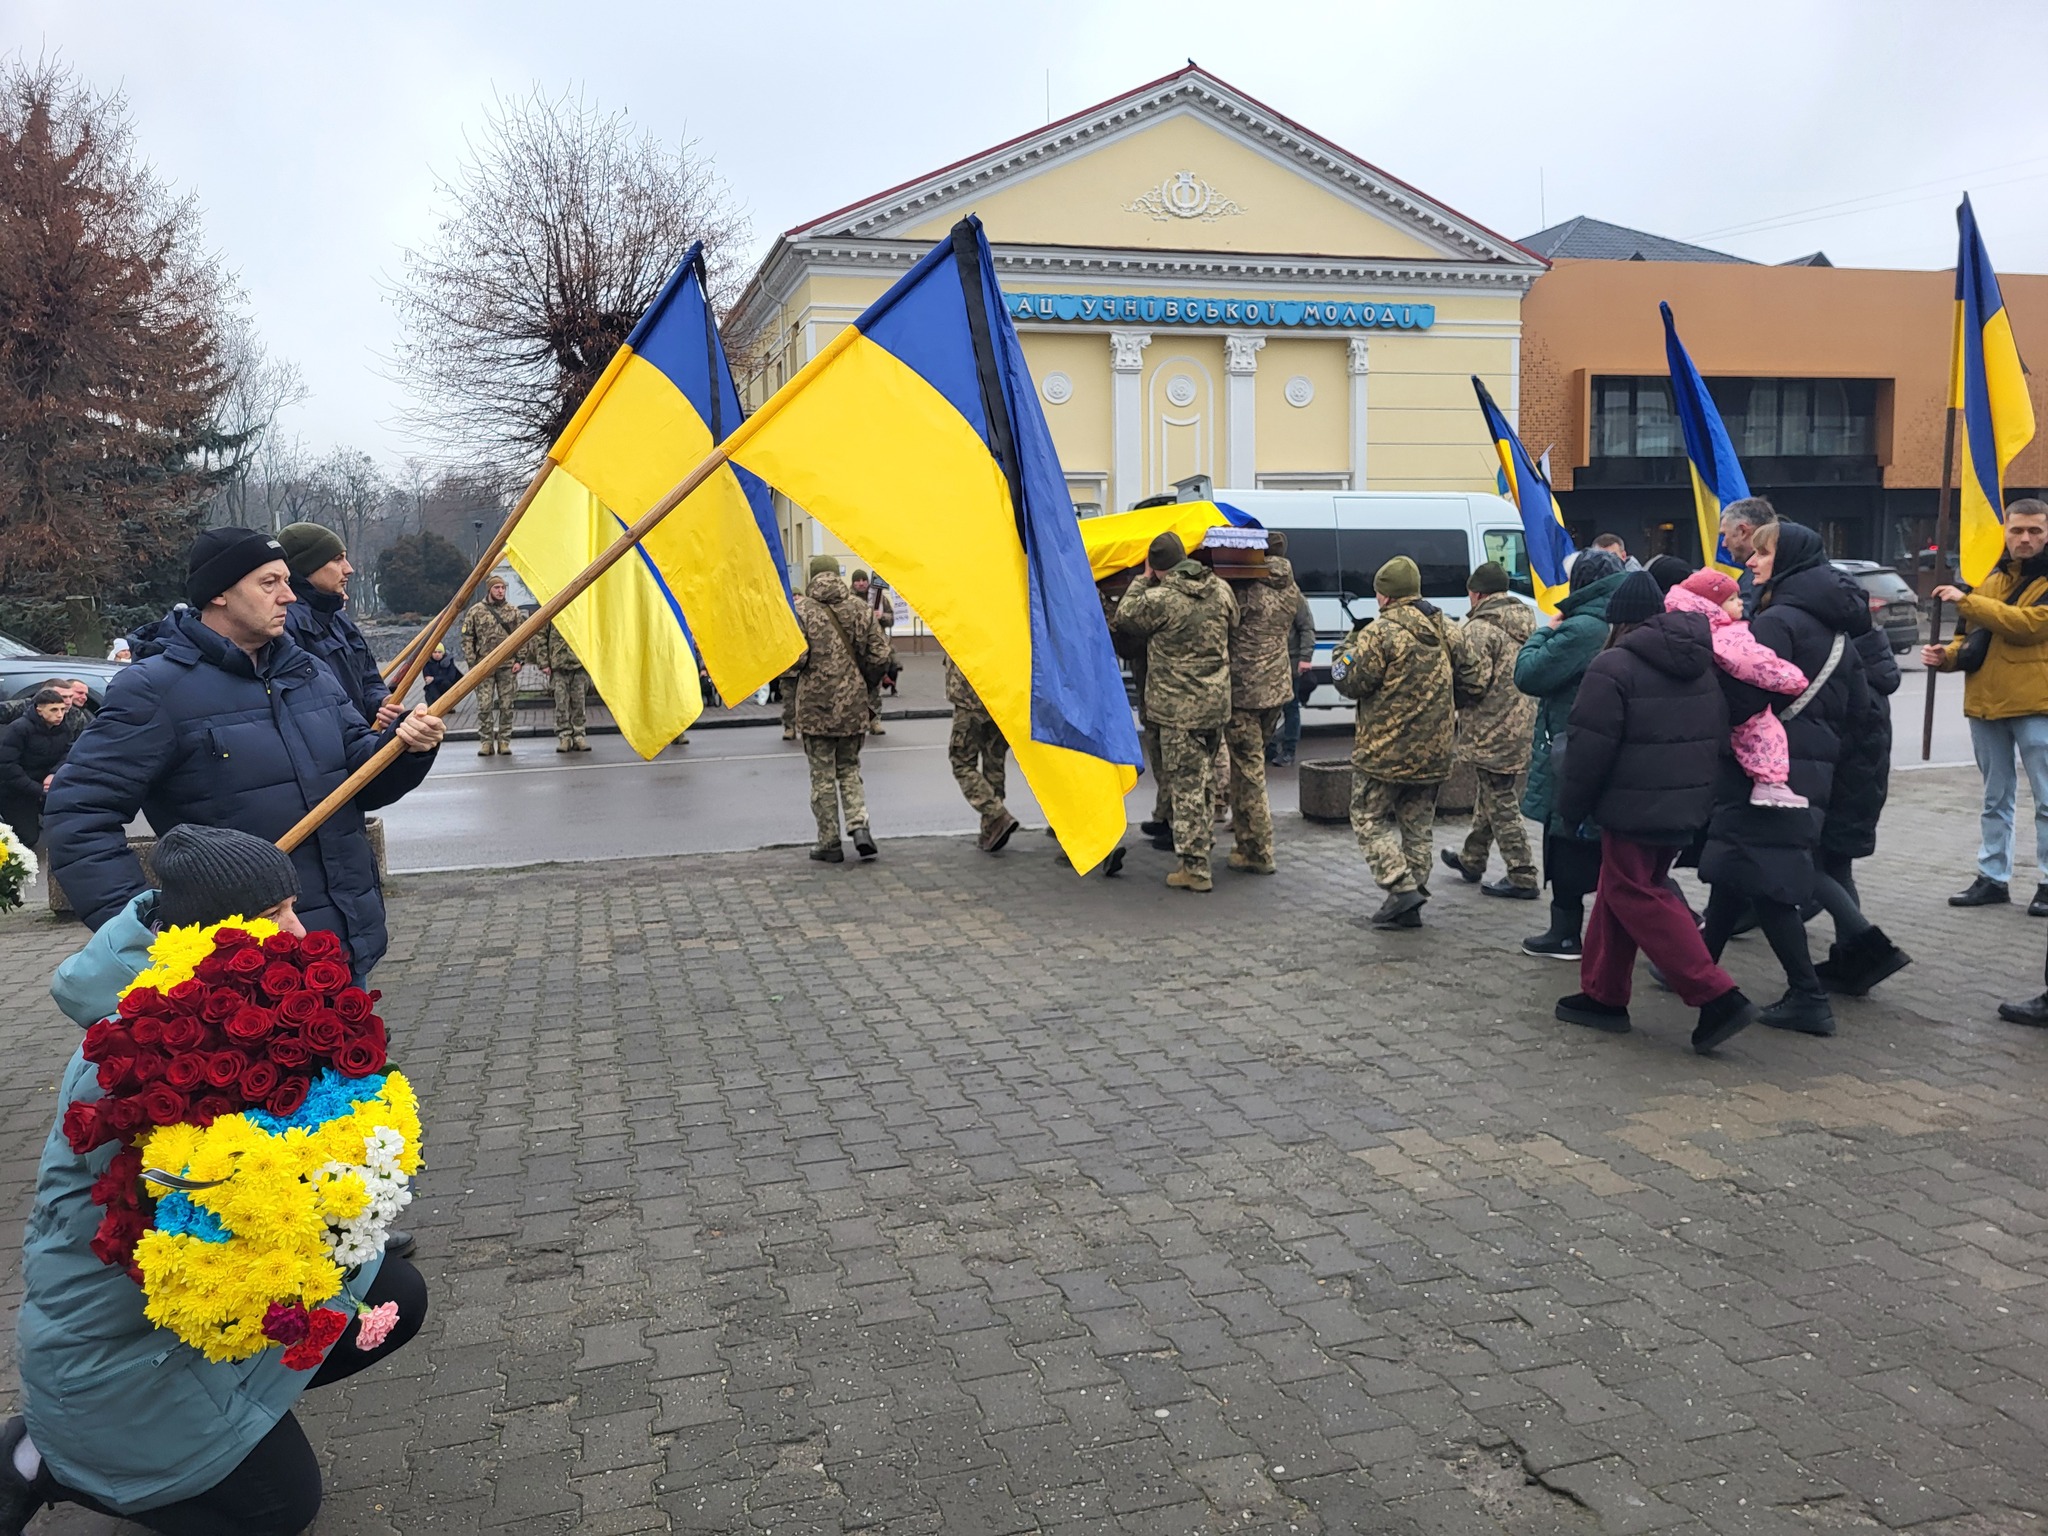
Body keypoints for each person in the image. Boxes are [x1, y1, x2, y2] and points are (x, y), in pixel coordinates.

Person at [0, 824, 426, 1536]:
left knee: (390, 1291)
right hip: (116, 1346)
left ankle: (226, 1417)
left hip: (182, 1315)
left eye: (293, 907)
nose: (296, 932)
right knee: (279, 1509)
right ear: (210, 935)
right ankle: (37, 1458)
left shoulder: (234, 1015)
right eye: (272, 917)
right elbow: (213, 1218)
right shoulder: (147, 1051)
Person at [45, 527, 444, 982]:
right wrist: (145, 929)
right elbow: (78, 813)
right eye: (269, 583)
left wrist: (405, 747)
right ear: (219, 595)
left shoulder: (307, 671)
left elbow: (361, 778)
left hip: (341, 944)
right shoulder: (154, 689)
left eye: (288, 581)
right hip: (242, 967)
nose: (289, 597)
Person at [1548, 569, 1759, 1053]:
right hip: (1684, 804)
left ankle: (1715, 995)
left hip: (1631, 805)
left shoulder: (1613, 666)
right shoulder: (1700, 659)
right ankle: (1602, 994)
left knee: (1635, 891)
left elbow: (1588, 753)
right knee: (1619, 890)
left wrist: (1571, 810)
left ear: (1616, 620)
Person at [1698, 521, 1867, 1039]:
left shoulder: (1779, 622)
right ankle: (1697, 968)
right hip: (1811, 770)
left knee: (1767, 883)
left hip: (1766, 773)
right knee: (1737, 871)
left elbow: (1746, 696)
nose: (1751, 561)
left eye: (1763, 553)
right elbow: (1862, 706)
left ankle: (1808, 997)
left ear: (1787, 559)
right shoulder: (1837, 627)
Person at [1332, 555, 1481, 928]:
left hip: (1384, 751)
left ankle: (1400, 888)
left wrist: (1344, 650)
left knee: (1367, 817)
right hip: (1434, 751)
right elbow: (1474, 682)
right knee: (1417, 825)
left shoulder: (1379, 633)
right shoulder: (1448, 627)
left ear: (1384, 596)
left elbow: (1348, 681)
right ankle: (1411, 901)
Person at [1924, 498, 2048, 914]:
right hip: (1985, 703)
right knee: (1995, 798)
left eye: (2035, 531)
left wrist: (1967, 600)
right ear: (2005, 533)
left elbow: (2028, 627)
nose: (2025, 539)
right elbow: (1969, 638)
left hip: (2037, 703)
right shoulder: (1987, 578)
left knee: (2046, 800)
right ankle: (1993, 877)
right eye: (2017, 531)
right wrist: (1948, 658)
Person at [1513, 549, 1629, 958]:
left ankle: (1564, 934)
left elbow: (1528, 674)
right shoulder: (1616, 618)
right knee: (1605, 846)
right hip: (1602, 746)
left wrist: (1546, 630)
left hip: (1570, 745)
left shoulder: (1582, 627)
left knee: (1565, 840)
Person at [1112, 532, 1238, 892]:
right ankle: (1204, 847)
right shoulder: (1220, 589)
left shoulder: (1160, 599)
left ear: (1157, 566)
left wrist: (1142, 578)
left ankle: (1195, 869)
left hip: (1178, 710)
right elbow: (1236, 622)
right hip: (1215, 705)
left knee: (1184, 787)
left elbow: (1124, 617)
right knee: (1205, 783)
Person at [1812, 578, 1911, 997]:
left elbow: (1845, 731)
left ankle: (1868, 947)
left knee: (1805, 864)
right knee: (1836, 865)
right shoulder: (1870, 656)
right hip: (1858, 787)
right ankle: (1852, 957)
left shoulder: (1849, 666)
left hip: (1842, 786)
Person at [1664, 569, 1812, 809]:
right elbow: (1755, 663)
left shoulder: (1694, 627)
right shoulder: (1727, 634)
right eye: (1732, 599)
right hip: (1741, 705)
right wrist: (1793, 679)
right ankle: (1770, 783)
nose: (1741, 602)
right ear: (1712, 606)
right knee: (1765, 731)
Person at [1441, 562, 1539, 898]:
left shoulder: (1480, 629)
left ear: (1477, 593)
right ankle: (1473, 858)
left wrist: (1450, 694)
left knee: (1499, 798)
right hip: (1520, 722)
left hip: (1491, 726)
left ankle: (1522, 872)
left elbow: (1474, 682)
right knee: (1491, 790)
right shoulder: (1525, 620)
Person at [793, 554, 891, 863]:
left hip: (815, 708)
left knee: (821, 776)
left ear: (812, 576)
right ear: (837, 575)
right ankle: (859, 826)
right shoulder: (861, 608)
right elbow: (880, 654)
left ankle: (829, 842)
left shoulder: (800, 610)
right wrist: (866, 683)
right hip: (853, 705)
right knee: (849, 768)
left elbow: (793, 660)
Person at [1219, 540, 1300, 875]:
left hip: (1245, 693)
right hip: (1277, 690)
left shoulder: (1247, 591)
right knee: (1248, 767)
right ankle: (1245, 841)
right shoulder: (1290, 589)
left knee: (1249, 771)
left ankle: (1260, 851)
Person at [276, 522, 401, 731]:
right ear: (309, 566)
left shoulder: (338, 619)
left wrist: (381, 704)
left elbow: (368, 679)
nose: (349, 569)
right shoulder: (284, 623)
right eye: (337, 559)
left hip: (358, 744)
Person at [944, 654, 1016, 852]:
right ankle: (991, 829)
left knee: (961, 762)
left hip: (970, 696)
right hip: (1002, 693)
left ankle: (996, 814)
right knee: (995, 761)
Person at [459, 575, 530, 757]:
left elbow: (523, 637)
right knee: (484, 706)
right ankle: (486, 742)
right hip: (484, 667)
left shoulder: (513, 612)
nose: (500, 591)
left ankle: (504, 741)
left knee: (507, 706)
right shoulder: (476, 611)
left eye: (503, 588)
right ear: (489, 590)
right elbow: (467, 638)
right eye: (497, 587)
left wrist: (519, 660)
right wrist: (473, 663)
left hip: (507, 666)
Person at [0, 690, 73, 848]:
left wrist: (54, 773)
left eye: (62, 709)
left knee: (73, 819)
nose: (60, 714)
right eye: (54, 710)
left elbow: (68, 753)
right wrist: (39, 790)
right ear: (39, 710)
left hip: (45, 785)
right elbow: (7, 767)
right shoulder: (19, 729)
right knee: (28, 837)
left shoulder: (63, 728)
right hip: (15, 790)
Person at [1268, 531, 1315, 770]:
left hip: (1289, 661)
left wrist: (1305, 658)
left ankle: (1288, 751)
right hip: (1272, 661)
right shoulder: (1279, 589)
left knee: (1290, 706)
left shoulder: (1292, 593)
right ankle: (1270, 749)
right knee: (1272, 707)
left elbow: (1306, 627)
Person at [849, 570, 896, 733]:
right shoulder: (847, 600)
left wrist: (882, 616)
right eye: (857, 581)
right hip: (854, 649)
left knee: (874, 688)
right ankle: (856, 722)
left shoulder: (879, 598)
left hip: (874, 648)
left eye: (864, 580)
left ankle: (874, 721)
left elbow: (891, 619)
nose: (861, 583)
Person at [1717, 496, 1778, 615]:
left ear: (1743, 531)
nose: (1723, 544)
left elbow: (1746, 617)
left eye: (1724, 535)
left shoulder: (1758, 576)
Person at [539, 623, 589, 753]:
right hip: (558, 665)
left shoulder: (581, 609)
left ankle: (579, 735)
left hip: (579, 663)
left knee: (579, 702)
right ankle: (564, 736)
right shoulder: (553, 609)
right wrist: (544, 662)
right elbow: (541, 636)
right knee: (561, 703)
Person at [0, 680, 89, 740]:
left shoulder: (76, 716)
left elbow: (83, 743)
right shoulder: (24, 707)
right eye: (64, 697)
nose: (69, 702)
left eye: (70, 697)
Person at [420, 643, 461, 707]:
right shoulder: (427, 662)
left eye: (439, 652)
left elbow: (451, 677)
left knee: (446, 683)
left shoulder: (449, 661)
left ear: (443, 653)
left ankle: (448, 706)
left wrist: (434, 679)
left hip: (447, 685)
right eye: (435, 652)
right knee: (430, 689)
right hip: (434, 685)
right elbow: (427, 679)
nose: (437, 654)